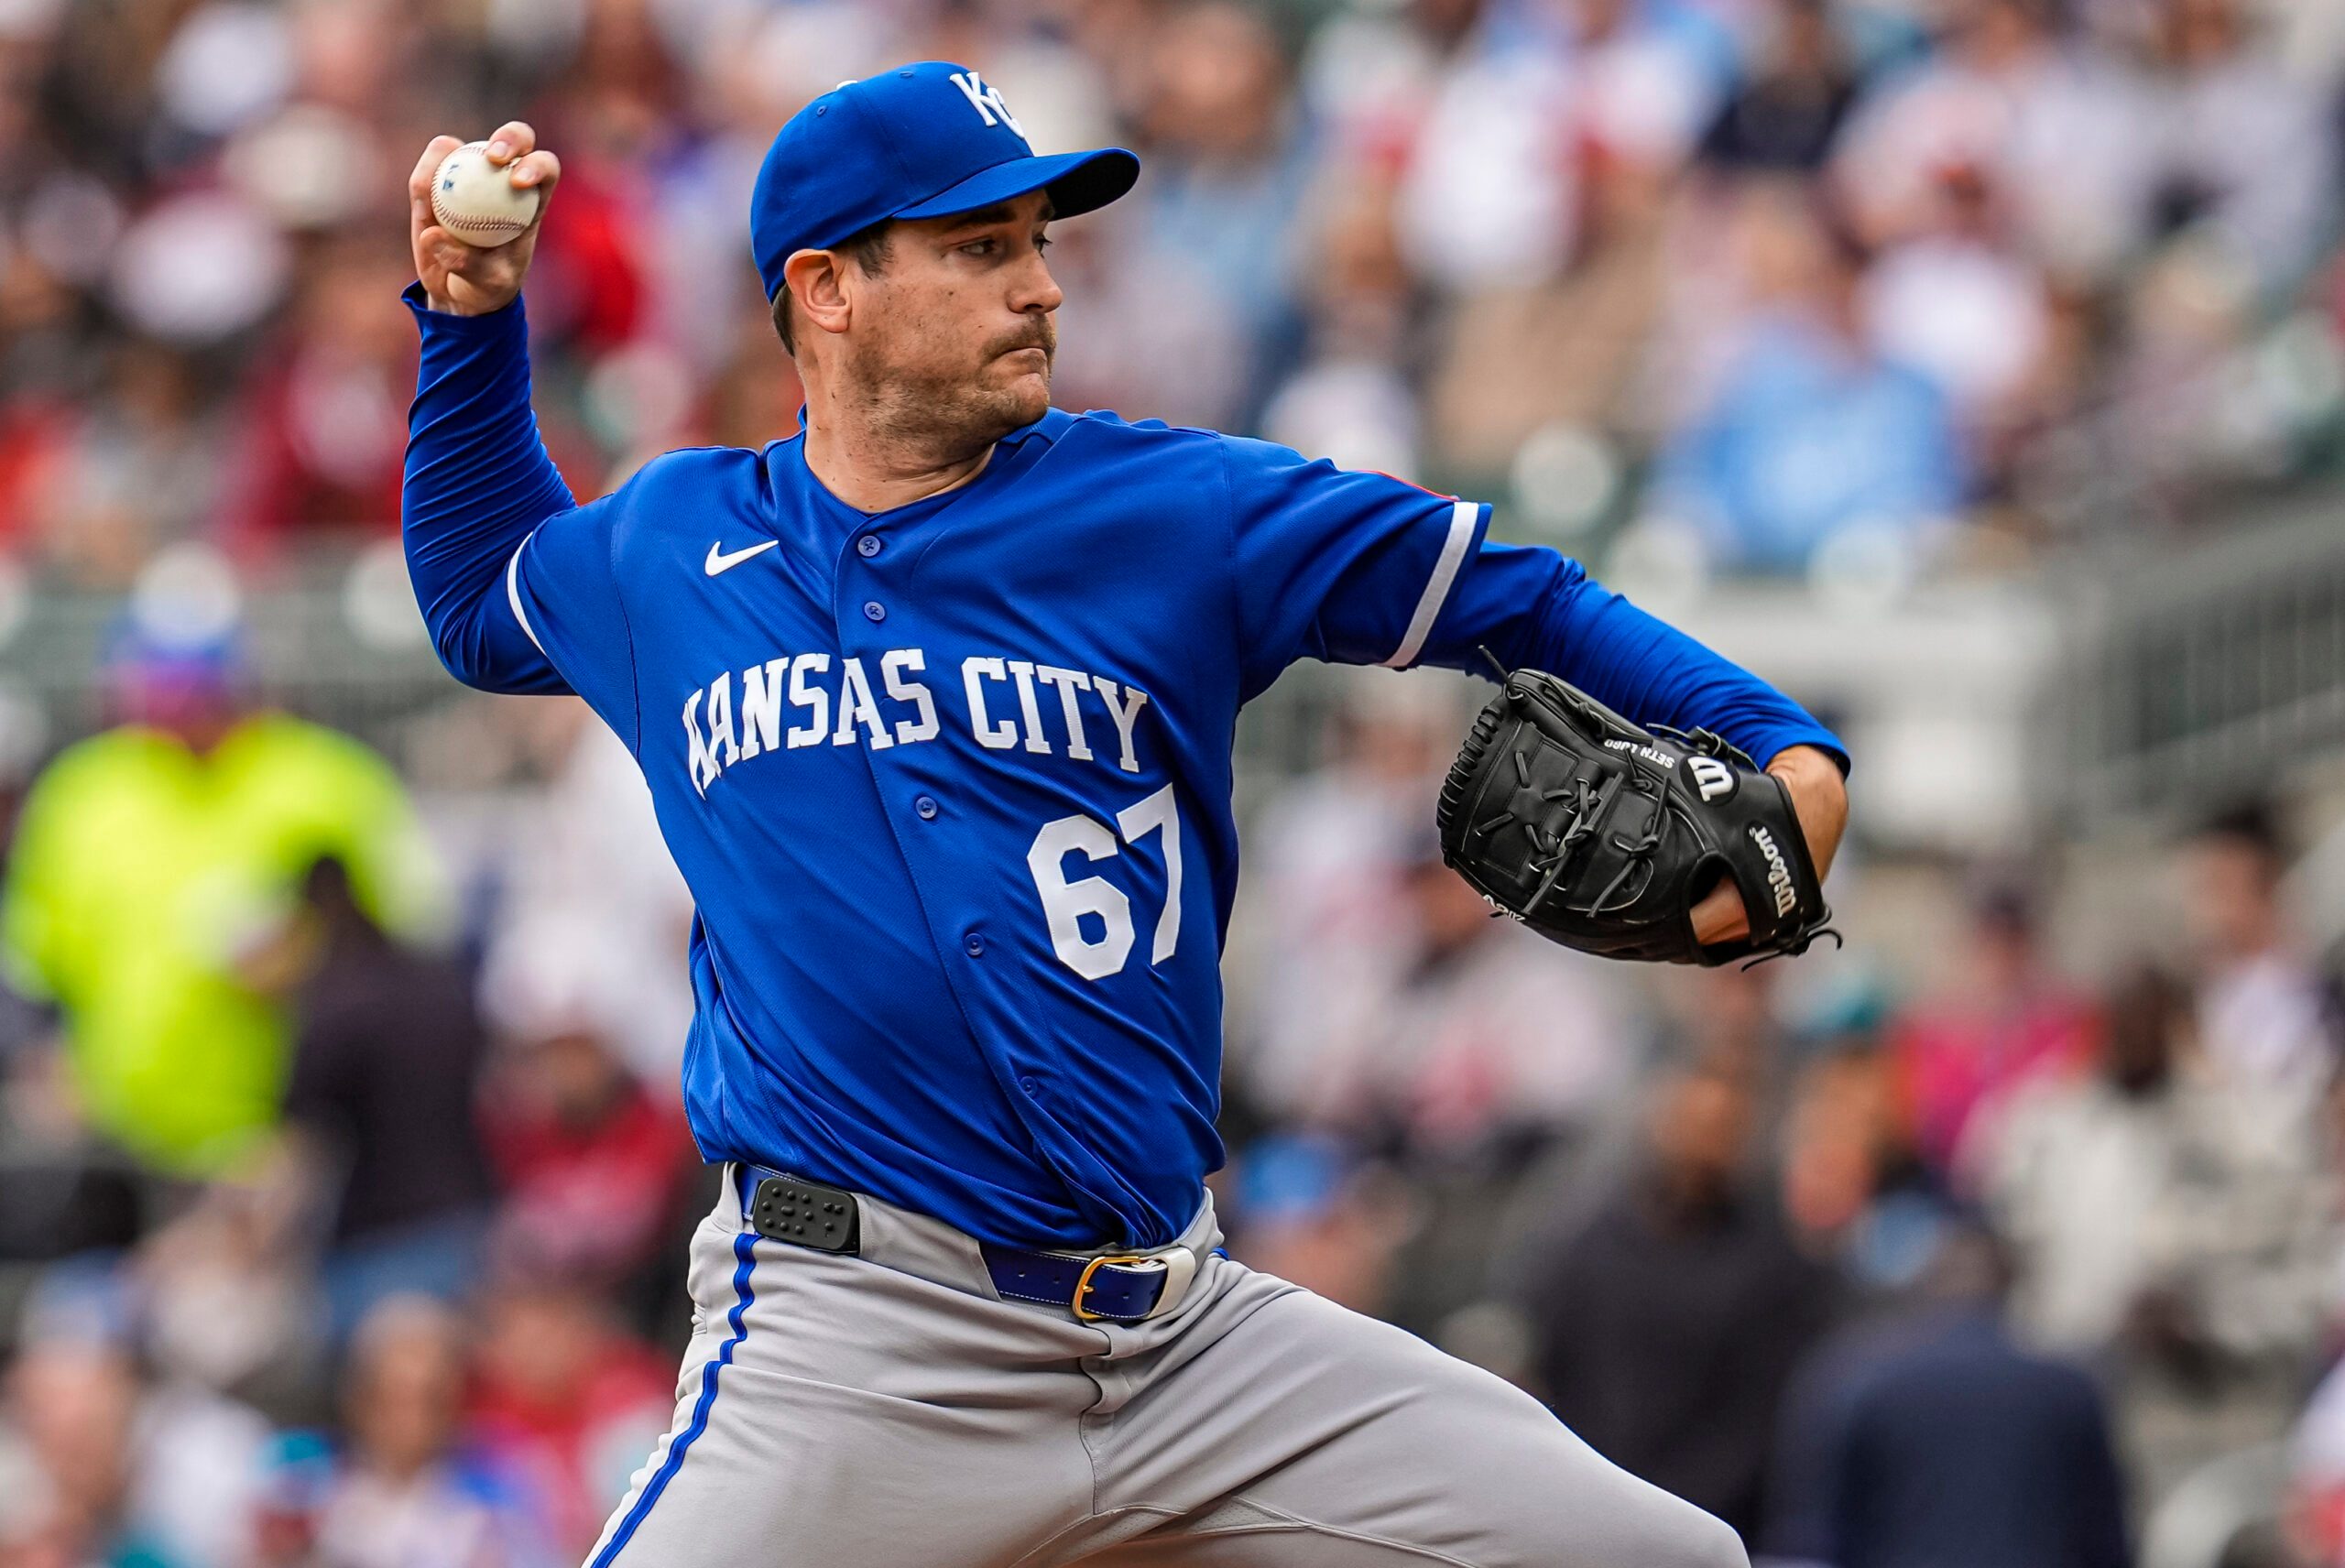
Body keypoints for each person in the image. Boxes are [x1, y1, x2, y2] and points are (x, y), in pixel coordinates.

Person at [398, 63, 1849, 1566]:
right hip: (857, 1347)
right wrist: (472, 317)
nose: (1038, 288)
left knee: (1667, 1559)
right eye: (979, 249)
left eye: (1039, 243)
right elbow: (475, 598)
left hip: (1190, 1341)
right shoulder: (672, 544)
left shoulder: (1173, 512)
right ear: (826, 290)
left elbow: (1518, 594)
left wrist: (1782, 744)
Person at [1520, 1048, 1842, 1546]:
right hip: (1587, 1506)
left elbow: (1759, 1421)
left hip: (1709, 1528)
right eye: (1692, 1123)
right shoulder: (1588, 1246)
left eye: (1721, 1131)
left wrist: (1669, 1516)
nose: (1702, 1147)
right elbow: (1552, 1371)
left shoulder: (1779, 1270)